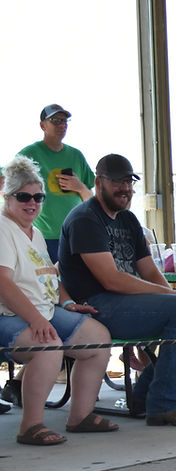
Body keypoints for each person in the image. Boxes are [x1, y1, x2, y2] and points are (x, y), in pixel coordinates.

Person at [59, 154, 176, 427]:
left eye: (129, 182)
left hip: (124, 302)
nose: (125, 188)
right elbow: (111, 280)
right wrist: (174, 298)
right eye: (118, 182)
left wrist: (174, 295)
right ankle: (166, 404)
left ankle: (146, 395)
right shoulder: (85, 219)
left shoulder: (128, 220)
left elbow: (150, 271)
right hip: (95, 305)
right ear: (99, 182)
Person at [0, 155, 115, 445]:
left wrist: (65, 303)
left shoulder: (35, 232)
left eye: (38, 197)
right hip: (7, 315)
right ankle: (30, 426)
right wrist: (37, 320)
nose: (32, 203)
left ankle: (80, 416)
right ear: (7, 197)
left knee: (98, 338)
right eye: (23, 196)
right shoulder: (3, 229)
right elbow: (2, 282)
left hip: (43, 309)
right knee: (48, 346)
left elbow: (48, 276)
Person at [19, 104, 95, 263]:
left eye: (65, 121)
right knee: (46, 283)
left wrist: (80, 187)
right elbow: (5, 182)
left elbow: (92, 200)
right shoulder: (28, 155)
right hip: (41, 237)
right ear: (42, 125)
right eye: (55, 120)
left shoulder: (76, 155)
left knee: (75, 285)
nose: (62, 124)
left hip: (75, 236)